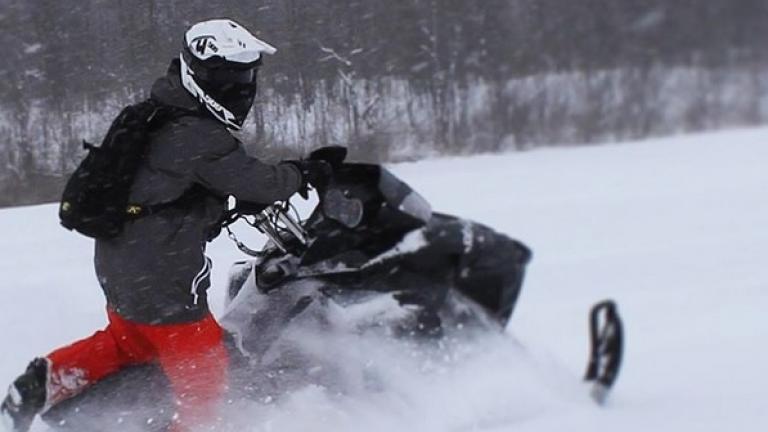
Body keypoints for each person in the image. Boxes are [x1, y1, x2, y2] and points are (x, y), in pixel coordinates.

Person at [0, 19, 328, 432]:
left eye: (245, 75)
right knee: (205, 373)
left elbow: (165, 188)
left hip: (121, 261)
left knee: (129, 341)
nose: (241, 86)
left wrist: (209, 205)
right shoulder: (198, 134)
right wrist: (308, 171)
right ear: (199, 75)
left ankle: (42, 382)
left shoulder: (157, 113)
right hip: (162, 275)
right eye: (229, 76)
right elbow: (260, 182)